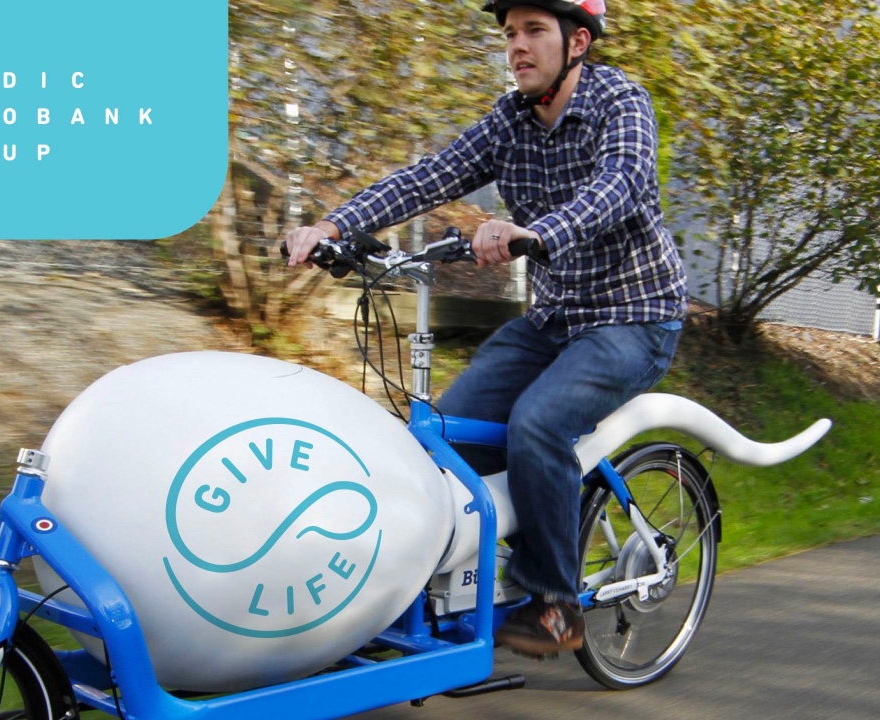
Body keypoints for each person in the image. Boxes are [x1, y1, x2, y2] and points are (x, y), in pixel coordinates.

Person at [284, 0, 687, 658]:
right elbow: (427, 177)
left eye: (534, 31)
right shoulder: (508, 122)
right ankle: (431, 584)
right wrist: (335, 227)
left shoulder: (621, 101)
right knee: (443, 434)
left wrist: (536, 232)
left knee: (539, 422)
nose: (517, 47)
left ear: (577, 40)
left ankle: (555, 602)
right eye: (510, 34)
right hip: (556, 318)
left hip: (634, 316)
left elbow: (621, 185)